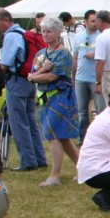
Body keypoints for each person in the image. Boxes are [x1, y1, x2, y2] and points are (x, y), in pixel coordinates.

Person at [29, 16, 80, 187]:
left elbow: (52, 76)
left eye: (49, 31)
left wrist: (36, 75)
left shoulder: (63, 53)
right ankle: (84, 168)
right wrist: (39, 72)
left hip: (60, 97)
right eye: (43, 31)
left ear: (58, 33)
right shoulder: (41, 54)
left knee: (53, 135)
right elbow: (32, 74)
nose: (45, 34)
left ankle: (54, 176)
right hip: (45, 99)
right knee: (62, 137)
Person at [0, 7, 47, 172]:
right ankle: (40, 158)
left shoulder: (11, 36)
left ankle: (27, 161)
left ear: (5, 20)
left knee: (19, 123)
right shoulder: (24, 33)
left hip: (16, 81)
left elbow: (5, 64)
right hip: (29, 80)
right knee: (31, 121)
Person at [73, 9, 105, 142]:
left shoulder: (101, 36)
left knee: (101, 110)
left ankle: (102, 138)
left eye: (96, 21)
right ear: (85, 22)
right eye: (92, 21)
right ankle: (83, 138)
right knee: (82, 112)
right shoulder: (78, 36)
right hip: (81, 79)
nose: (95, 23)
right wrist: (73, 76)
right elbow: (75, 57)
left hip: (95, 79)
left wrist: (95, 54)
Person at [94, 9, 110, 103]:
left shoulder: (101, 38)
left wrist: (98, 82)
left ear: (100, 21)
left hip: (109, 74)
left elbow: (100, 62)